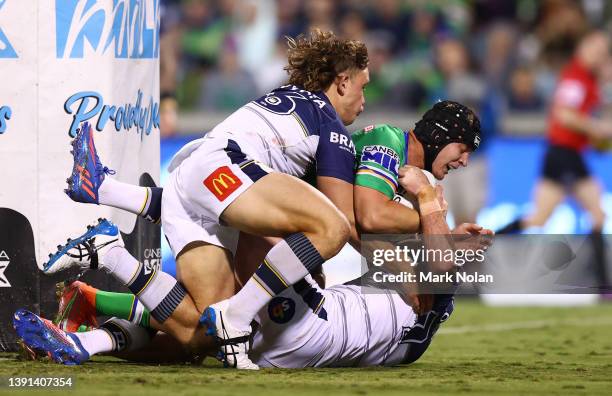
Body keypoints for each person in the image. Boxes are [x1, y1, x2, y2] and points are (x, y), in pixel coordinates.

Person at [16, 101, 485, 367]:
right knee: (202, 323)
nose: (464, 162)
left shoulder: (405, 295)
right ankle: (104, 281)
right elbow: (368, 216)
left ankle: (101, 285)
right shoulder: (388, 142)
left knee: (197, 332)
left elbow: (376, 230)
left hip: (297, 307)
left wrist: (432, 216)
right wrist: (430, 208)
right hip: (299, 309)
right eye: (464, 149)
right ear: (443, 133)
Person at [44, 29, 369, 369]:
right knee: (332, 228)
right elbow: (342, 221)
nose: (364, 102)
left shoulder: (285, 97)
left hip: (193, 181)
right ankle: (237, 316)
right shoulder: (329, 122)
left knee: (201, 333)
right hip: (223, 168)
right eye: (363, 87)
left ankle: (104, 274)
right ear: (343, 81)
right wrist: (406, 265)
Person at [497, 30, 612, 293]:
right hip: (564, 153)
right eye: (596, 48)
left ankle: (484, 245)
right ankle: (604, 285)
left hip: (564, 153)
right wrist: (596, 129)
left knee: (538, 218)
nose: (600, 54)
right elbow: (564, 115)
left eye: (604, 51)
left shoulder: (587, 79)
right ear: (583, 47)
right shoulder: (576, 77)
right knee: (595, 214)